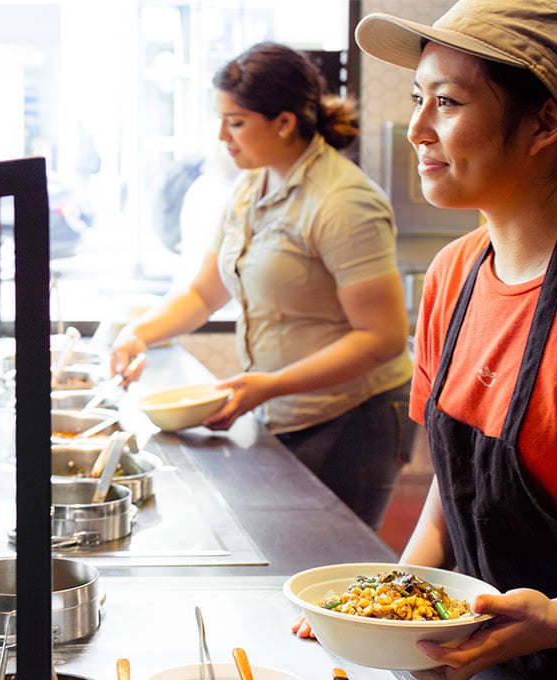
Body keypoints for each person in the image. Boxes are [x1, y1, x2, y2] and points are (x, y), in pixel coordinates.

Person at [294, 1, 557, 680]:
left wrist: (556, 621)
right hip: (491, 658)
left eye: (448, 102)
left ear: (547, 122)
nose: (418, 130)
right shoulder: (453, 275)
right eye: (417, 99)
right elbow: (456, 492)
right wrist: (390, 606)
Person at [110, 42, 415, 530]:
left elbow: (381, 338)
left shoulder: (344, 203)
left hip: (355, 416)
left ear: (285, 122)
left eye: (235, 122)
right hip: (284, 409)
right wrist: (139, 333)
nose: (221, 137)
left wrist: (269, 386)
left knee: (333, 563)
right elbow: (203, 294)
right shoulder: (251, 189)